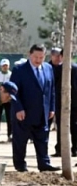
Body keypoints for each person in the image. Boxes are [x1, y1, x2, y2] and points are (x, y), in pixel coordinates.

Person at [9, 44, 58, 172]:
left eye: (41, 57)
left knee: (43, 140)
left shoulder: (48, 68)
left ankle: (44, 164)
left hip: (43, 112)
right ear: (29, 54)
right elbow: (13, 92)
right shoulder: (19, 70)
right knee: (20, 140)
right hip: (24, 113)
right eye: (36, 57)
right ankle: (20, 165)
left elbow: (51, 90)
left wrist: (52, 108)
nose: (38, 60)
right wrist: (18, 108)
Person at [52, 54, 77, 157]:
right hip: (71, 103)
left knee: (62, 127)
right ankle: (73, 149)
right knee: (73, 127)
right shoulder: (73, 68)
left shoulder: (58, 69)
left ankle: (61, 149)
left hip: (62, 102)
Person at [0, 58, 13, 142]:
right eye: (3, 66)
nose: (5, 67)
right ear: (1, 66)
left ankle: (10, 135)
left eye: (6, 66)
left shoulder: (12, 74)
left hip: (8, 100)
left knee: (9, 117)